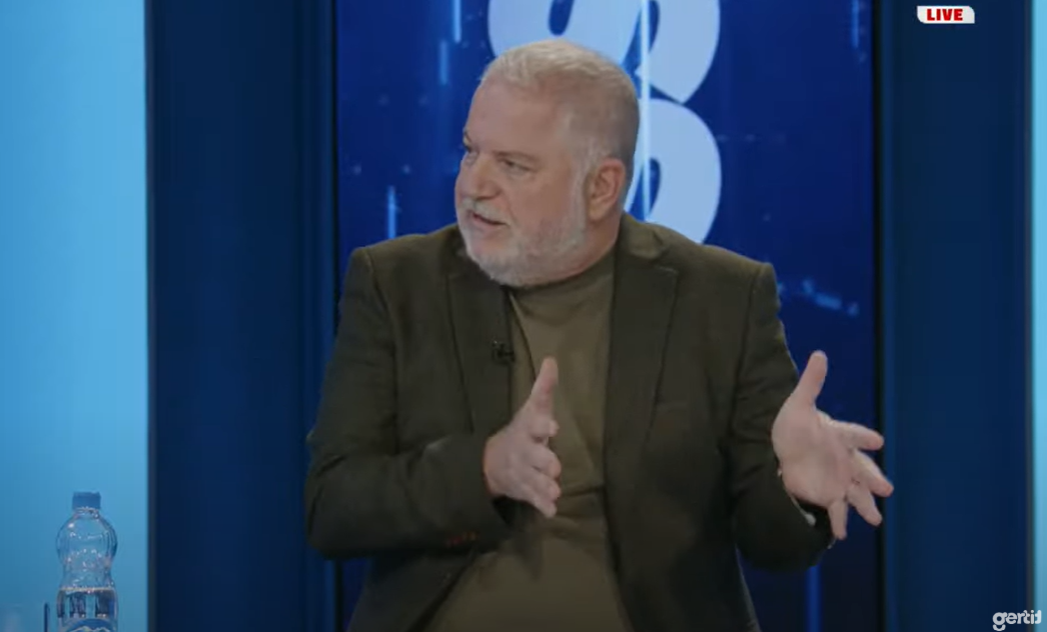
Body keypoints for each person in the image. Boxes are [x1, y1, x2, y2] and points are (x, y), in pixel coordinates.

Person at [304, 38, 893, 632]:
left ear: (601, 188)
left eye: (513, 165)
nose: (472, 185)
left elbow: (774, 545)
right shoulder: (398, 284)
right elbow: (334, 506)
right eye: (470, 151)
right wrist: (484, 469)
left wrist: (794, 491)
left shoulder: (721, 298)